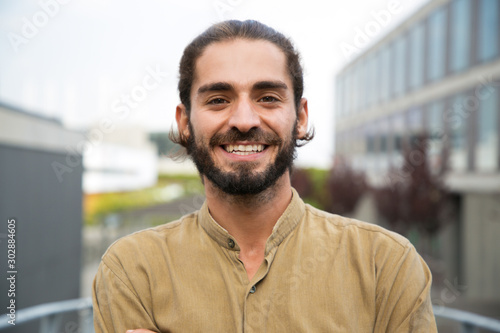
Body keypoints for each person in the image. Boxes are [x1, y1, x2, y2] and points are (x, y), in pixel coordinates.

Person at [92, 20, 437, 332]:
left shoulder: (387, 266)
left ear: (300, 118)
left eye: (268, 98)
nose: (244, 120)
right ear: (184, 123)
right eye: (218, 100)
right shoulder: (131, 270)